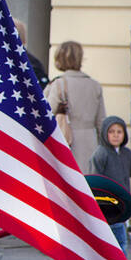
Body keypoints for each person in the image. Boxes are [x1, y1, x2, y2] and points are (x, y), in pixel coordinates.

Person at [43, 40, 106, 170]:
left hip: (67, 140)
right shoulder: (94, 85)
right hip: (90, 141)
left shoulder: (58, 84)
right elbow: (101, 122)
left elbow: (46, 114)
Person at [90, 116, 131, 248]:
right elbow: (95, 179)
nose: (116, 135)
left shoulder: (127, 154)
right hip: (105, 205)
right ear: (105, 133)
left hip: (121, 205)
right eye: (111, 132)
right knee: (106, 241)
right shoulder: (101, 154)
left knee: (121, 241)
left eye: (119, 132)